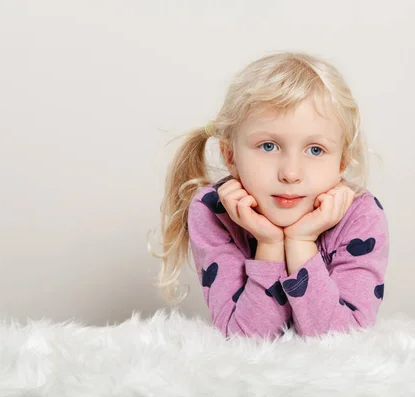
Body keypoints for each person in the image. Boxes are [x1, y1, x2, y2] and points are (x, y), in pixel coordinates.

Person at [151, 52, 389, 340]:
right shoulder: (213, 211)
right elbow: (246, 341)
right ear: (230, 156)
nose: (290, 173)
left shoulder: (361, 215)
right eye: (268, 146)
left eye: (315, 150)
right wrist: (270, 243)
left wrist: (302, 242)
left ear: (341, 163)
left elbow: (343, 343)